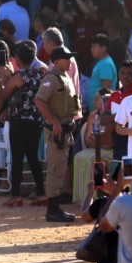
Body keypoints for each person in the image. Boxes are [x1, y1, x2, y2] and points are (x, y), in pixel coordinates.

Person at [0, 41, 46, 207]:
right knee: (33, 157)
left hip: (19, 122)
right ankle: (41, 193)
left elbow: (3, 95)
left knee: (17, 157)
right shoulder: (39, 74)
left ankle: (15, 194)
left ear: (18, 59)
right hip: (36, 121)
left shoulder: (19, 76)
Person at [35, 47, 83, 223]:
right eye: (65, 58)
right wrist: (54, 122)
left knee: (60, 168)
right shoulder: (51, 79)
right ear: (56, 61)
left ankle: (55, 208)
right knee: (55, 168)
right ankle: (52, 209)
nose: (69, 61)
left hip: (65, 129)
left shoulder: (64, 77)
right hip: (57, 131)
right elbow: (39, 101)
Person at [87, 34, 118, 114]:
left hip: (101, 112)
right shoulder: (101, 62)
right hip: (95, 111)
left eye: (94, 46)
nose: (91, 49)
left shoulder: (106, 64)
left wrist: (101, 112)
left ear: (103, 48)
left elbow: (106, 92)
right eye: (91, 46)